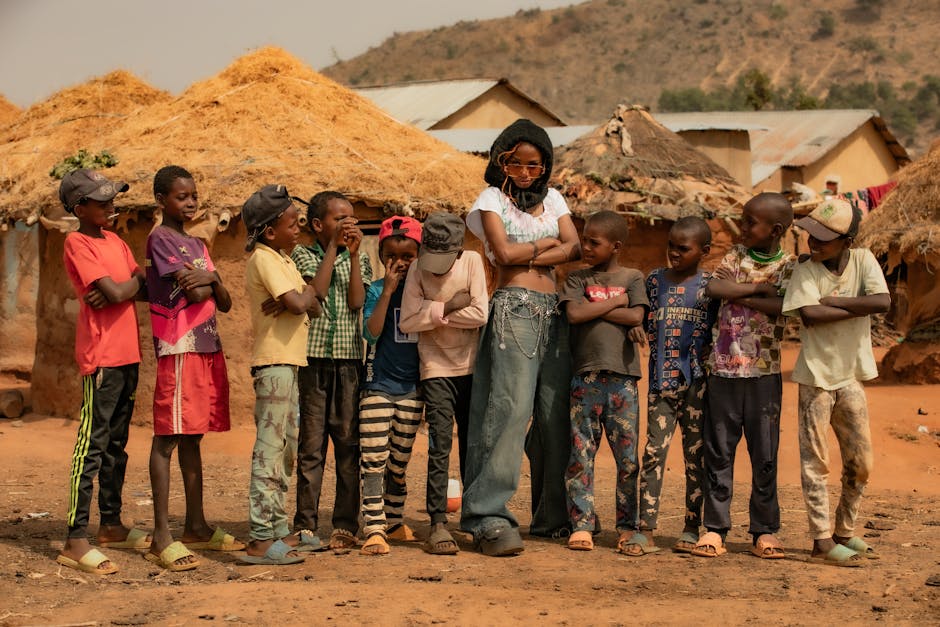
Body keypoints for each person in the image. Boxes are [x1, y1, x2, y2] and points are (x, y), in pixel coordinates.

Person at [461, 119, 581, 556]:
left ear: (545, 165)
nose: (526, 172)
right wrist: (546, 245)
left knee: (553, 414)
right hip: (515, 309)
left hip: (555, 312)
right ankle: (486, 515)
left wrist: (535, 248)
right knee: (508, 410)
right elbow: (507, 255)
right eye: (516, 164)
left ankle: (551, 516)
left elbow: (577, 245)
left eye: (535, 164)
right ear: (501, 162)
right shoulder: (491, 199)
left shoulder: (554, 198)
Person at [143, 166, 242, 572]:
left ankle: (196, 525)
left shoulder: (199, 243)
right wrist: (209, 281)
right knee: (168, 436)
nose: (190, 202)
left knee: (193, 437)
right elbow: (199, 290)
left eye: (193, 195)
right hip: (179, 344)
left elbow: (224, 298)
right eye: (181, 196)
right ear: (162, 200)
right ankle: (161, 535)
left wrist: (211, 276)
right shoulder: (160, 239)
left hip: (205, 343)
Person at [783, 198, 889, 567]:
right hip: (816, 376)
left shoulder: (863, 260)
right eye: (812, 235)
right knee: (817, 462)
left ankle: (845, 531)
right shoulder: (805, 271)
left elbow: (882, 301)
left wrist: (836, 301)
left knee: (861, 461)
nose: (814, 244)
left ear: (848, 241)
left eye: (825, 238)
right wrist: (854, 303)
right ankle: (821, 541)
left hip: (851, 375)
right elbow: (810, 314)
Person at [693, 193, 795, 560]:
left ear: (777, 230)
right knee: (719, 451)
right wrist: (756, 290)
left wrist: (742, 297)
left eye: (752, 222)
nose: (744, 227)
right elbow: (715, 288)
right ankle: (715, 528)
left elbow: (784, 306)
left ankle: (764, 531)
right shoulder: (736, 255)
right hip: (722, 370)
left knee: (764, 454)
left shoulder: (788, 266)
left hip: (763, 375)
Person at [57, 169, 148, 575]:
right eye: (102, 201)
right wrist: (123, 285)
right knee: (91, 446)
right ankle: (76, 537)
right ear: (80, 208)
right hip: (101, 359)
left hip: (129, 355)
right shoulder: (76, 242)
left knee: (117, 445)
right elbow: (114, 291)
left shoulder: (115, 240)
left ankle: (110, 524)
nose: (112, 206)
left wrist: (124, 284)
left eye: (113, 199)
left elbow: (138, 285)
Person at [399, 211, 488, 556]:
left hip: (470, 366)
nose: (436, 269)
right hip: (434, 367)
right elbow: (407, 321)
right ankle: (437, 521)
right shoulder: (416, 270)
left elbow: (480, 313)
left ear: (458, 250)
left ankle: (474, 516)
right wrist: (450, 305)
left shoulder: (473, 262)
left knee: (472, 444)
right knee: (439, 444)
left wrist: (430, 312)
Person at [241, 184, 322, 565]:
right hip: (274, 365)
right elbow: (300, 302)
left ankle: (275, 529)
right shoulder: (265, 259)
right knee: (270, 451)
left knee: (286, 450)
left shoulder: (284, 259)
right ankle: (259, 538)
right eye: (293, 223)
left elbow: (312, 306)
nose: (299, 228)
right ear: (270, 230)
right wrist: (300, 299)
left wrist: (301, 299)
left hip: (289, 364)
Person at [560, 210, 647, 553]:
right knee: (581, 455)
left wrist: (613, 307)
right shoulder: (576, 278)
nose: (585, 246)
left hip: (623, 380)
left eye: (593, 242)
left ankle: (627, 524)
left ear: (616, 246)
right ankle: (581, 524)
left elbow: (637, 315)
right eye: (583, 240)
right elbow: (574, 314)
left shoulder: (634, 276)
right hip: (585, 378)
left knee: (627, 459)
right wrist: (618, 302)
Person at [631, 216, 718, 556]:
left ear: (704, 251)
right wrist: (634, 327)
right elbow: (638, 314)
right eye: (672, 246)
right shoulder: (653, 281)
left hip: (698, 385)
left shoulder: (711, 286)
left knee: (695, 457)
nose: (674, 254)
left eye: (684, 249)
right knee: (654, 454)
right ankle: (646, 529)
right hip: (660, 384)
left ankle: (691, 527)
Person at [291, 191, 372, 550]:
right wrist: (333, 251)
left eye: (351, 218)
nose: (348, 224)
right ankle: (306, 524)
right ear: (318, 225)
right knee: (310, 447)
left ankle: (344, 524)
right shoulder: (302, 255)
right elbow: (317, 292)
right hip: (312, 362)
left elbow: (356, 302)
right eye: (340, 219)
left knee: (347, 444)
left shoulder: (360, 257)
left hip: (349, 361)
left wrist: (352, 257)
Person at [358, 216, 424, 556]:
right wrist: (387, 291)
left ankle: (394, 520)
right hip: (378, 385)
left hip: (412, 388)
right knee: (374, 459)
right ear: (382, 256)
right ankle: (373, 525)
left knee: (399, 461)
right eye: (392, 256)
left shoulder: (426, 292)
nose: (399, 263)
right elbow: (371, 332)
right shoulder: (375, 290)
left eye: (408, 256)